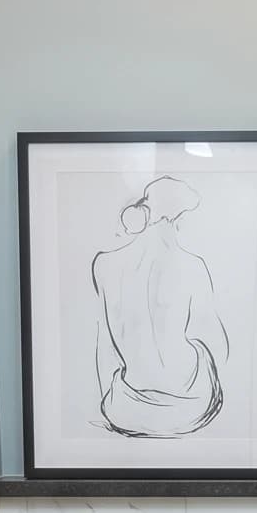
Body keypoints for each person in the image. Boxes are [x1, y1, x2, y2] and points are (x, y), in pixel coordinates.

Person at [92, 176, 226, 437]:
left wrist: (110, 399)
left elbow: (104, 347)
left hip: (125, 409)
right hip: (189, 409)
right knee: (200, 347)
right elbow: (219, 344)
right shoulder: (193, 266)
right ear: (177, 220)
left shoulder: (104, 265)